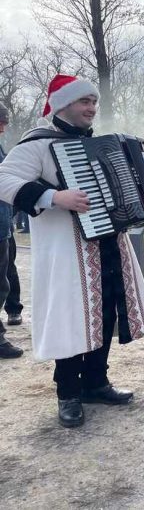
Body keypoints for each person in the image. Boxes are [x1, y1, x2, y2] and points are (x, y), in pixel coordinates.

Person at [0, 74, 144, 427]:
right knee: (70, 317)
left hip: (108, 242)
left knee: (104, 313)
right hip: (67, 251)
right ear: (63, 105)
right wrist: (53, 197)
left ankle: (96, 381)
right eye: (84, 101)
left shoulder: (104, 144)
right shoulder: (37, 144)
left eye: (93, 102)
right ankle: (68, 393)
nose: (91, 108)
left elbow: (123, 189)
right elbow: (4, 180)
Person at [0, 102, 23, 358]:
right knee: (1, 282)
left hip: (3, 222)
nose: (4, 128)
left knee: (6, 275)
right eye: (1, 122)